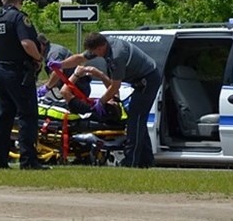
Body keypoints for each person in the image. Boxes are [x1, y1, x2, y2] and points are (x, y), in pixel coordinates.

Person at [48, 32, 161, 168]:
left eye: (94, 52)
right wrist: (61, 65)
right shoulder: (104, 44)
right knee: (138, 120)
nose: (93, 55)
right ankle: (146, 160)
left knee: (135, 119)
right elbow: (80, 58)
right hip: (142, 81)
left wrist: (100, 102)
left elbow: (115, 86)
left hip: (148, 80)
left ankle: (131, 161)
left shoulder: (116, 56)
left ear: (101, 48)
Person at [0, 0, 49, 170]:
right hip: (18, 72)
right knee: (28, 115)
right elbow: (26, 43)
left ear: (3, 0)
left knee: (4, 115)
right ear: (19, 0)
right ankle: (28, 161)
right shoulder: (19, 18)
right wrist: (38, 58)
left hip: (1, 70)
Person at [36, 33, 90, 99]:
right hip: (74, 88)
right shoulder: (50, 51)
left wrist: (47, 87)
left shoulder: (53, 54)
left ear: (41, 45)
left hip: (78, 89)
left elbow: (57, 72)